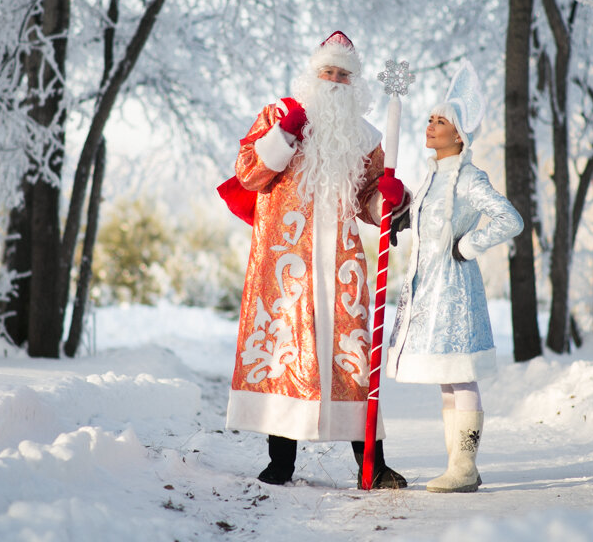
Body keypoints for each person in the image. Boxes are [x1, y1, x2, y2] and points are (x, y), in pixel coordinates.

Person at [223, 31, 408, 489]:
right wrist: (285, 133)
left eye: (343, 74)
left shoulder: (366, 138)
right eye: (327, 71)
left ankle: (373, 466)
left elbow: (370, 203)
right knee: (284, 353)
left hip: (341, 264)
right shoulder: (279, 116)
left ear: (355, 83)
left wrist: (390, 201)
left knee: (353, 359)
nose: (334, 80)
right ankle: (280, 462)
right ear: (313, 74)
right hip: (285, 261)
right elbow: (248, 173)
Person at [386, 64, 523, 493]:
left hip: (456, 291)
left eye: (440, 121)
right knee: (448, 376)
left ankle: (464, 468)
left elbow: (510, 218)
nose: (430, 126)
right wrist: (400, 215)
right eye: (429, 119)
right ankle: (460, 466)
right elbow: (425, 222)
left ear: (459, 135)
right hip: (428, 290)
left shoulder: (468, 177)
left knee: (461, 374)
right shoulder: (431, 176)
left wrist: (468, 245)